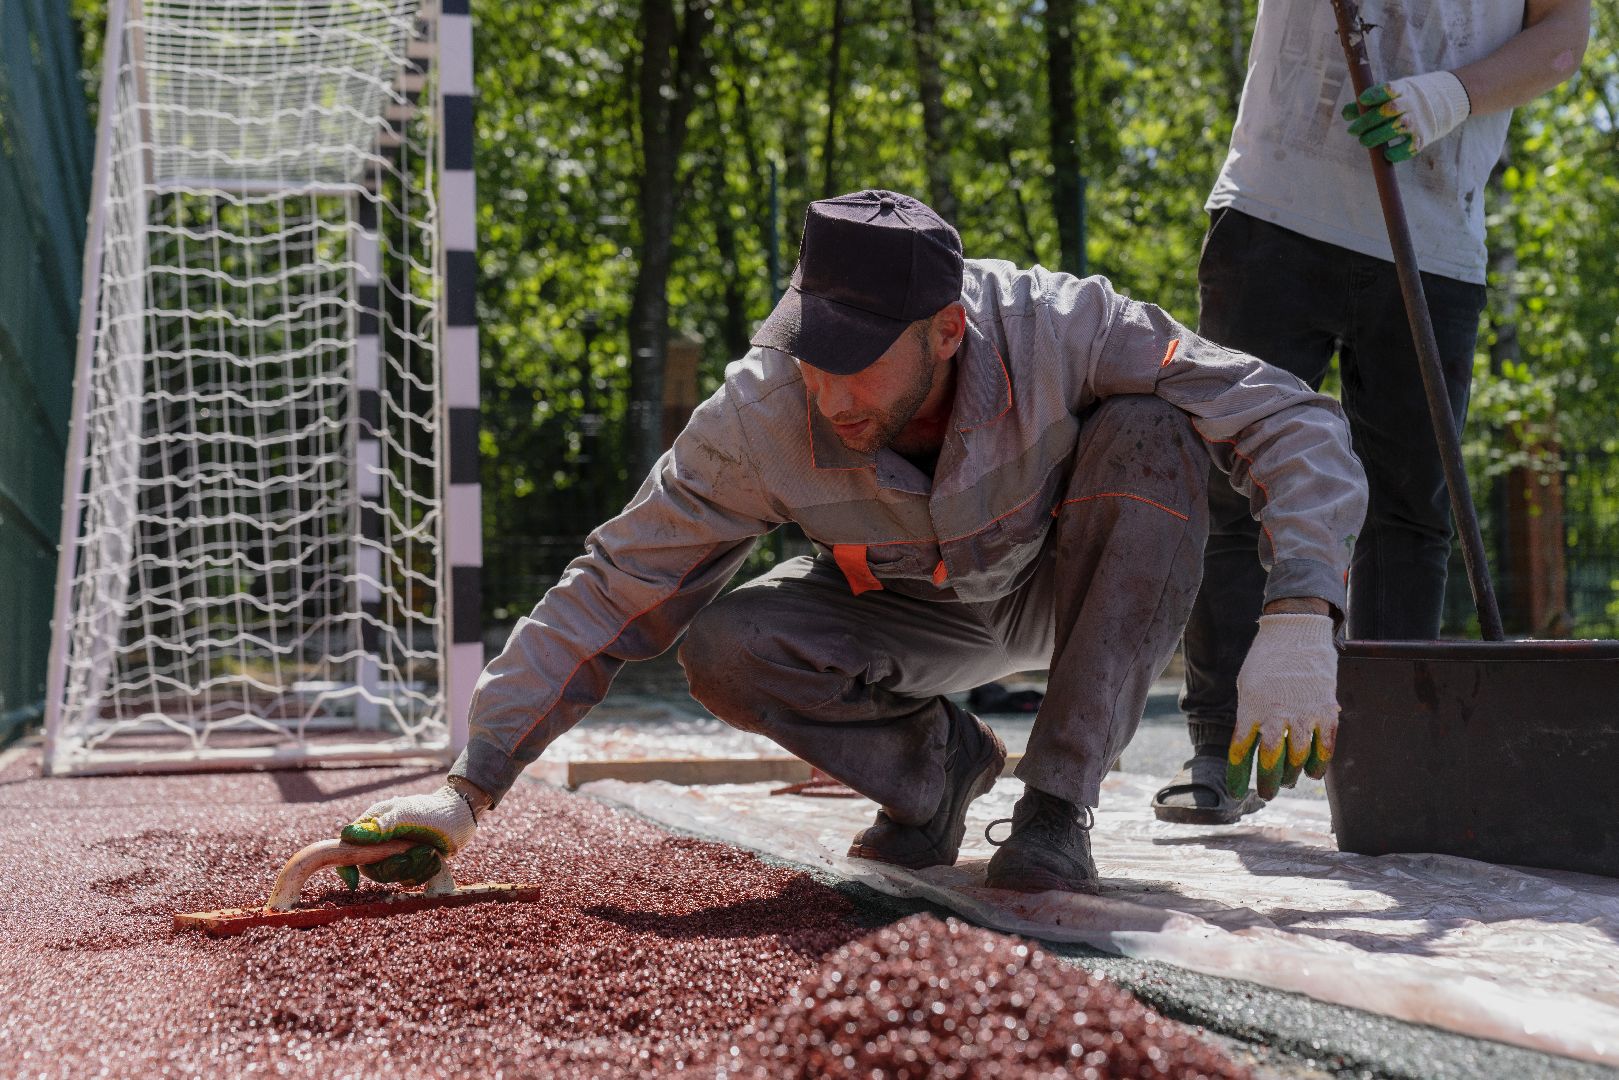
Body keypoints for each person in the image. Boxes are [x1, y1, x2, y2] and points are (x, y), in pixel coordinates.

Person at [339, 189, 1366, 896]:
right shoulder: (762, 410)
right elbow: (615, 581)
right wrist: (468, 786)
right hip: (906, 611)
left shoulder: (1066, 327)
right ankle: (936, 772)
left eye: (860, 363)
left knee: (1150, 433)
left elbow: (1292, 418)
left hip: (1069, 588)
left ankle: (1054, 810)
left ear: (947, 331)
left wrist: (1297, 611)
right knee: (721, 644)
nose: (829, 393)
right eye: (813, 353)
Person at [1156, 0, 1591, 825]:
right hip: (1275, 210)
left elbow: (1563, 38)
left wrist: (1450, 96)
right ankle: (1219, 749)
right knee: (1234, 487)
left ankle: (1391, 763)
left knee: (1408, 512)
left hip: (1433, 237)